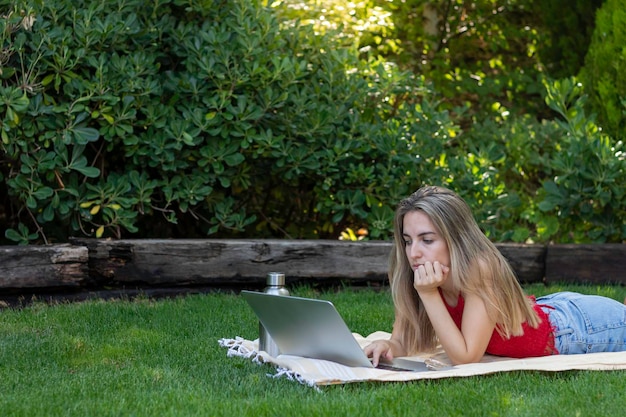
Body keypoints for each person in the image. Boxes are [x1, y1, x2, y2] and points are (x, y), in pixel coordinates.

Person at [364, 185, 626, 365]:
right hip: (547, 308)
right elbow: (402, 340)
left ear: (455, 239)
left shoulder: (479, 268)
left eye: (427, 240)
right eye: (408, 241)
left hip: (576, 329)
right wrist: (389, 348)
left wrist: (429, 295)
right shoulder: (423, 275)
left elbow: (466, 357)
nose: (414, 253)